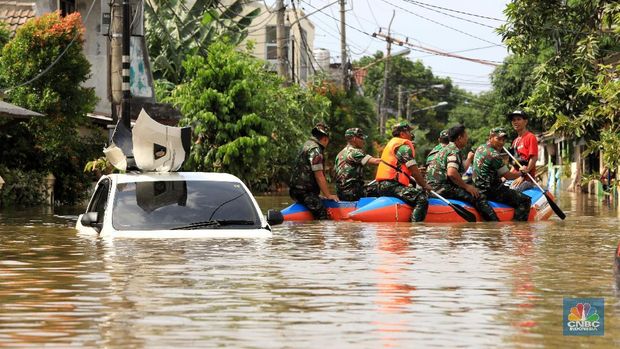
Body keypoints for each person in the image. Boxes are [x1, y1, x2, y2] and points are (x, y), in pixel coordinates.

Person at [426, 124, 497, 221]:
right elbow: (451, 173)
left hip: (433, 187)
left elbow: (458, 169)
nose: (467, 139)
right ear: (459, 138)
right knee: (479, 196)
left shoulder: (444, 149)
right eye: (466, 136)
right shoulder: (454, 151)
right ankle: (494, 224)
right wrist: (467, 186)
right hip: (441, 188)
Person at [375, 121, 432, 222]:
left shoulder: (393, 144)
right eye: (409, 132)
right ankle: (414, 228)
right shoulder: (403, 147)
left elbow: (402, 168)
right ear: (402, 134)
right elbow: (414, 172)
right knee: (421, 198)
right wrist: (424, 185)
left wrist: (417, 171)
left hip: (385, 185)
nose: (411, 134)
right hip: (391, 186)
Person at [472, 127, 532, 221]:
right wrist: (521, 172)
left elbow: (491, 170)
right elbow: (508, 175)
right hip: (490, 190)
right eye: (498, 139)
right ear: (490, 138)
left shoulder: (480, 148)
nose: (501, 142)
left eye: (503, 140)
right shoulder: (494, 155)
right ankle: (517, 227)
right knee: (525, 200)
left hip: (478, 187)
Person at [289, 123, 339, 219]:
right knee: (323, 215)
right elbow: (319, 175)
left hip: (296, 190)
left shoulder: (306, 145)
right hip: (304, 192)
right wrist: (328, 195)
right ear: (325, 139)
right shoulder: (316, 150)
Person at [334, 128, 381, 201]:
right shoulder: (355, 152)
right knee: (383, 188)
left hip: (341, 193)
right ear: (354, 139)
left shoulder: (340, 154)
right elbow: (377, 162)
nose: (363, 141)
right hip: (353, 193)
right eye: (361, 138)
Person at [508, 110, 538, 191]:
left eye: (518, 119)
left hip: (526, 179)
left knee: (512, 192)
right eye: (514, 120)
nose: (515, 122)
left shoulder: (530, 137)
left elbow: (534, 157)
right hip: (515, 177)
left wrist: (523, 175)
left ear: (525, 121)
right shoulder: (514, 141)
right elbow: (514, 165)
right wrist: (506, 176)